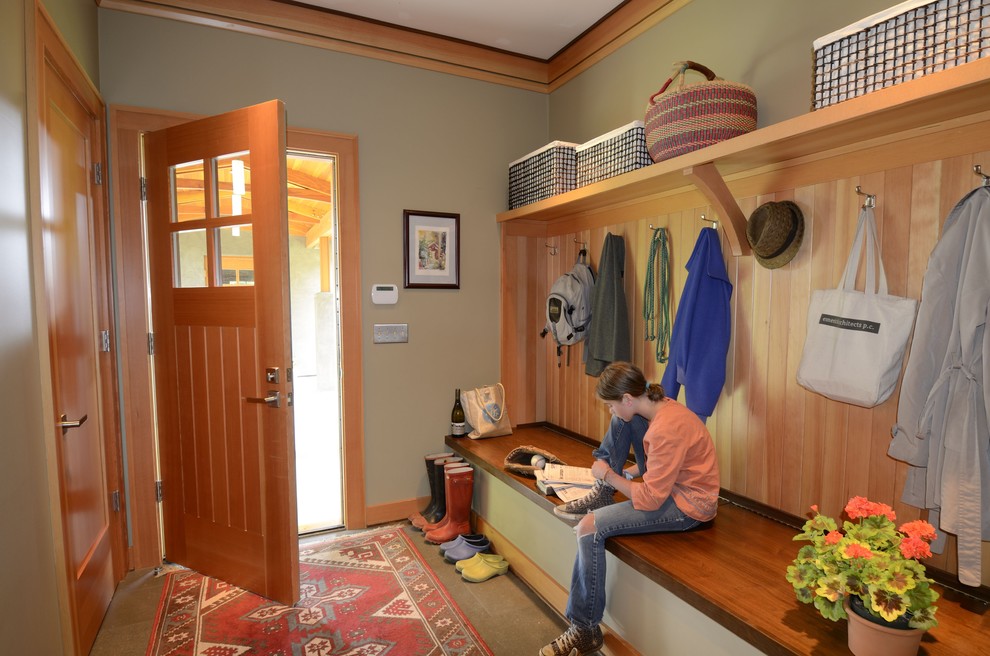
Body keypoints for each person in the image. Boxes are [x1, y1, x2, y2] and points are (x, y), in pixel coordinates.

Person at [540, 361, 720, 656]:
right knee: (622, 422)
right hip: (671, 485)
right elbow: (668, 461)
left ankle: (585, 629)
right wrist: (632, 473)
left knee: (588, 528)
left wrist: (609, 475)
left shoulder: (665, 429)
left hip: (689, 505)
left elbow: (650, 498)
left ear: (627, 398)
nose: (610, 410)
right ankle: (603, 494)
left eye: (611, 405)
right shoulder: (659, 406)